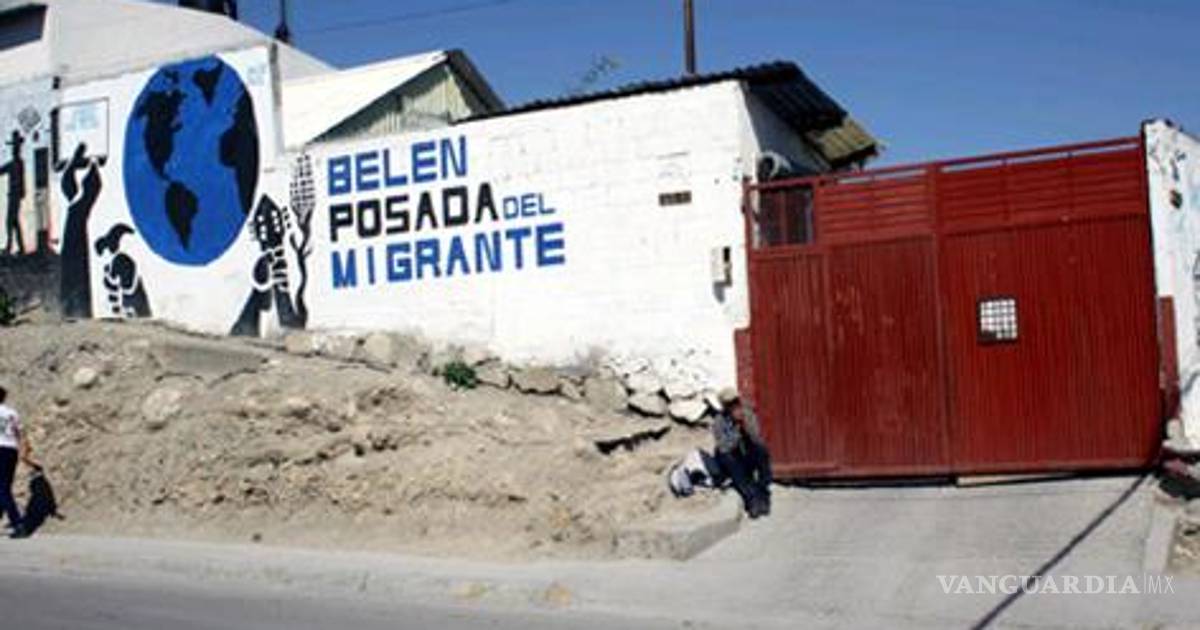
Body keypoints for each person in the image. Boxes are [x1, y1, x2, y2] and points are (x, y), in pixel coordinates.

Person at [710, 387, 772, 518]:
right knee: (726, 457)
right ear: (725, 407)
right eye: (730, 404)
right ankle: (751, 499)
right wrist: (737, 431)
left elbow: (757, 437)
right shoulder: (719, 421)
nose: (735, 406)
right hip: (735, 460)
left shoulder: (747, 413)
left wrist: (745, 424)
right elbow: (723, 447)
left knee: (762, 450)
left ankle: (763, 493)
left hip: (748, 454)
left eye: (736, 402)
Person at [0, 384, 35, 538]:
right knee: (4, 486)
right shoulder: (11, 413)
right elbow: (20, 433)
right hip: (11, 450)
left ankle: (18, 523)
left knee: (2, 489)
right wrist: (25, 449)